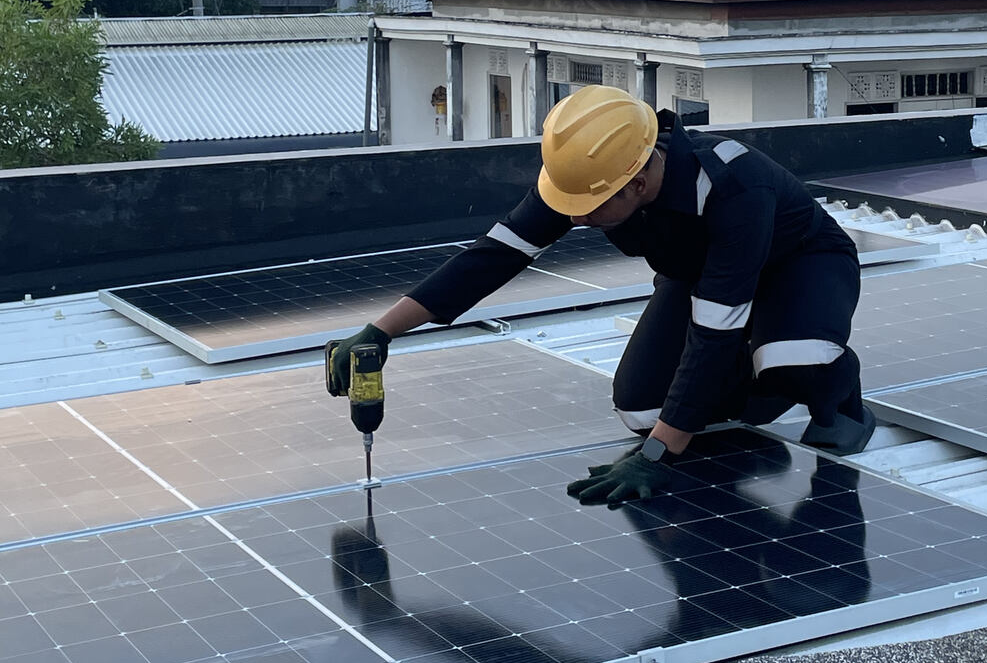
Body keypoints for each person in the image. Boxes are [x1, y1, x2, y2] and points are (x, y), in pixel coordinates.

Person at [326, 86, 874, 508]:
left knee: (791, 356)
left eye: (588, 206)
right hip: (699, 281)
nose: (577, 216)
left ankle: (835, 393)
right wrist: (380, 332)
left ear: (637, 182)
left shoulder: (734, 186)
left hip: (800, 266)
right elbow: (492, 256)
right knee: (642, 410)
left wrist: (660, 454)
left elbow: (715, 327)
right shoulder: (588, 177)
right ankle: (763, 385)